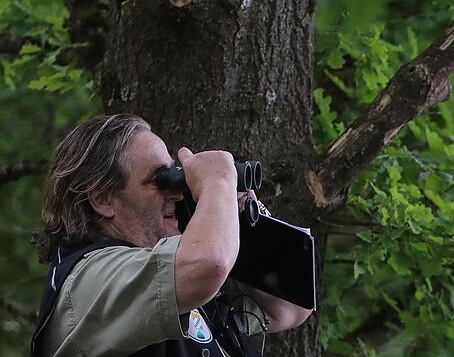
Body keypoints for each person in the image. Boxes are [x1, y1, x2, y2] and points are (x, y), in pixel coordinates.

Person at [31, 114, 313, 356]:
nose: (178, 192)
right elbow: (210, 265)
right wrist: (217, 182)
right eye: (160, 180)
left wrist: (242, 215)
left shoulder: (168, 279)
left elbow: (291, 305)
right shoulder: (90, 279)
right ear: (103, 199)